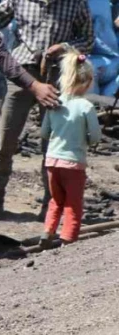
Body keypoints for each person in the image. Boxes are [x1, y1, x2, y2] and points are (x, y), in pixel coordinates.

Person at [0, 0, 94, 217]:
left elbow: (88, 40)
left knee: (54, 145)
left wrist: (64, 46)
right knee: (6, 140)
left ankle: (51, 204)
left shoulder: (74, 0)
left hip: (58, 77)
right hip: (23, 75)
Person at [40, 53, 102, 245]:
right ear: (88, 81)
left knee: (56, 200)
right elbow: (96, 136)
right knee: (73, 203)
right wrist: (87, 142)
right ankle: (68, 239)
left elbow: (44, 132)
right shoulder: (86, 106)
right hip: (74, 163)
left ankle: (47, 232)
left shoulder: (54, 102)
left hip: (51, 161)